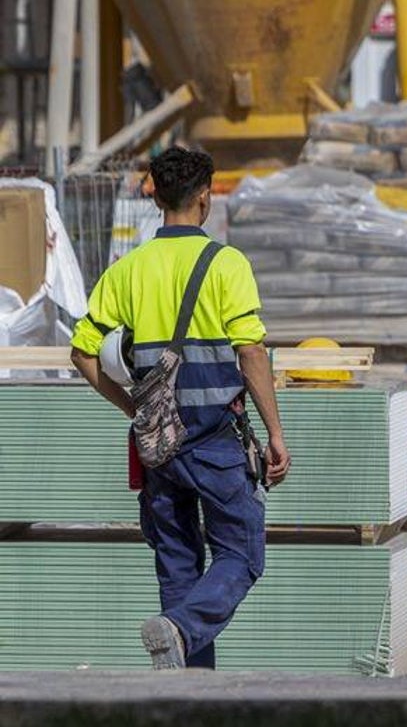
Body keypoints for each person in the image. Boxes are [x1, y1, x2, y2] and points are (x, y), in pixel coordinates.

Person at [70, 146, 290, 669]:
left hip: (158, 447)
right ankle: (182, 628)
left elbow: (82, 351)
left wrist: (133, 407)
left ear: (156, 198)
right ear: (204, 197)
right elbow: (251, 351)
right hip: (215, 442)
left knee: (178, 569)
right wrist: (276, 432)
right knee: (240, 554)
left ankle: (185, 693)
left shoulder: (129, 270)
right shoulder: (226, 264)